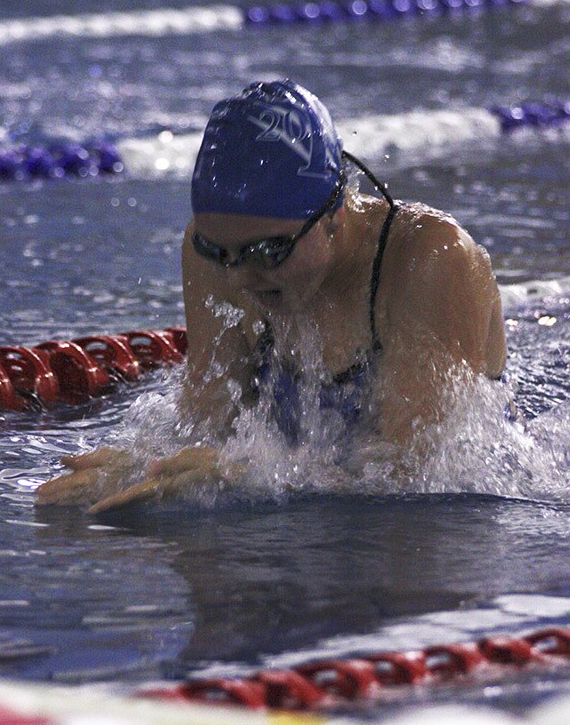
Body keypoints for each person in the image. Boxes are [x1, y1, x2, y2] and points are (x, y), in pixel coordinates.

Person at [37, 79, 506, 512]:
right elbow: (208, 417)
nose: (239, 277)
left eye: (269, 250)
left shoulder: (429, 263)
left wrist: (250, 478)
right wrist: (145, 466)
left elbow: (410, 475)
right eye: (217, 248)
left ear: (334, 213)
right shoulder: (218, 256)